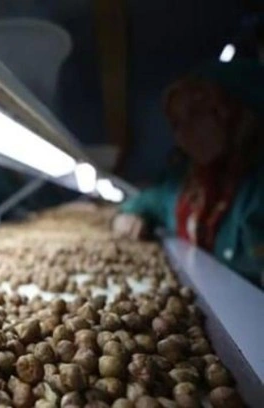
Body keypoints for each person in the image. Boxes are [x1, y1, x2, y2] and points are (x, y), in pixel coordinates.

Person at [112, 59, 264, 287]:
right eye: (176, 123)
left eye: (196, 113)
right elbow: (148, 200)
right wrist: (130, 214)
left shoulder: (255, 186)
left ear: (230, 111)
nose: (184, 132)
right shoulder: (185, 183)